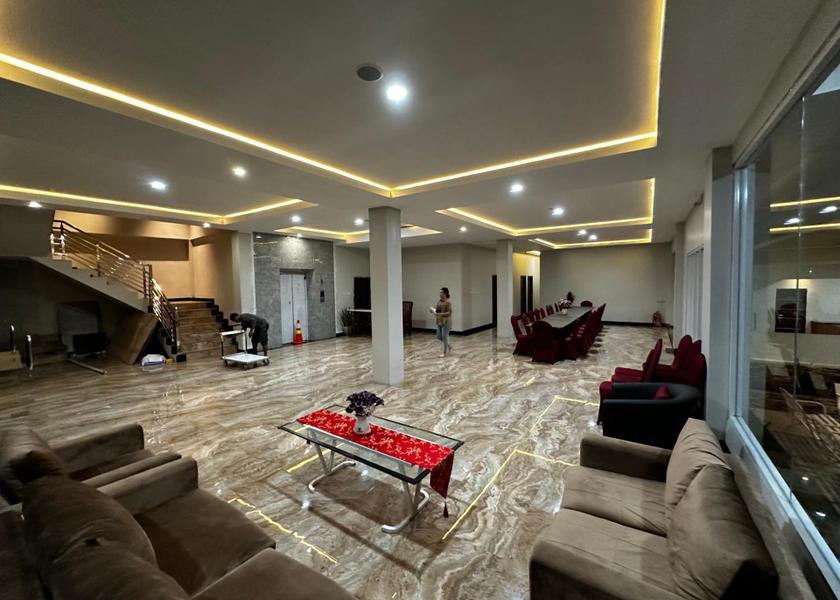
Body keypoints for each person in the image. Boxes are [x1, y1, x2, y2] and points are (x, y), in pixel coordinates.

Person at [434, 287, 453, 357]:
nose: (440, 294)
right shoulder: (438, 302)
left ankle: (444, 353)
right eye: (440, 292)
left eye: (441, 292)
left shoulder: (448, 303)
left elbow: (449, 312)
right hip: (439, 321)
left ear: (445, 294)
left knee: (444, 336)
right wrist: (433, 311)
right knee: (439, 337)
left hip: (446, 321)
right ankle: (449, 345)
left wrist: (440, 314)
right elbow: (437, 311)